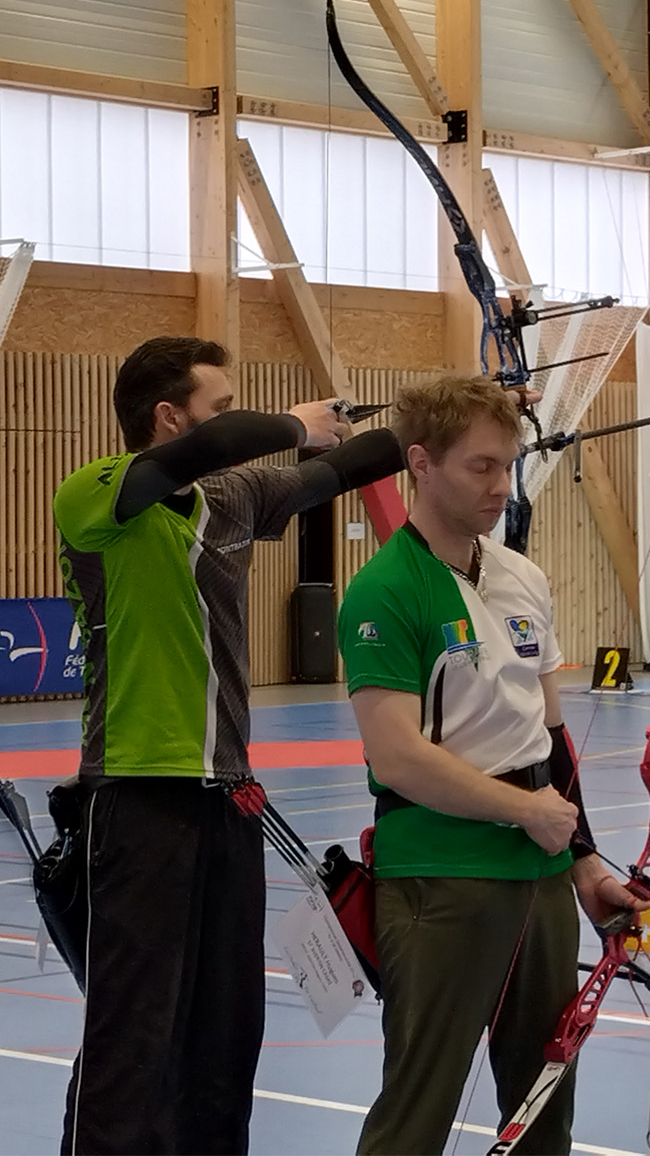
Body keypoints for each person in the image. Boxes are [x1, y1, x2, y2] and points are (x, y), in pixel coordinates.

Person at [52, 336, 404, 1154]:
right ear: (168, 417)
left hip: (230, 797)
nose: (232, 420)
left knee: (226, 1033)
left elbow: (343, 469)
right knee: (132, 1035)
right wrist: (291, 422)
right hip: (137, 796)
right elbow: (225, 443)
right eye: (220, 403)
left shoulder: (233, 497)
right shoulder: (98, 496)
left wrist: (450, 420)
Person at [337, 375, 637, 1156]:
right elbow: (398, 757)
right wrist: (524, 812)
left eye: (509, 465)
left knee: (543, 1109)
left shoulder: (521, 577)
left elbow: (550, 740)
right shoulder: (383, 593)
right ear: (421, 465)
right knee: (418, 1113)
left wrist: (584, 860)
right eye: (481, 467)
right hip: (439, 881)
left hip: (539, 879)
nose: (502, 486)